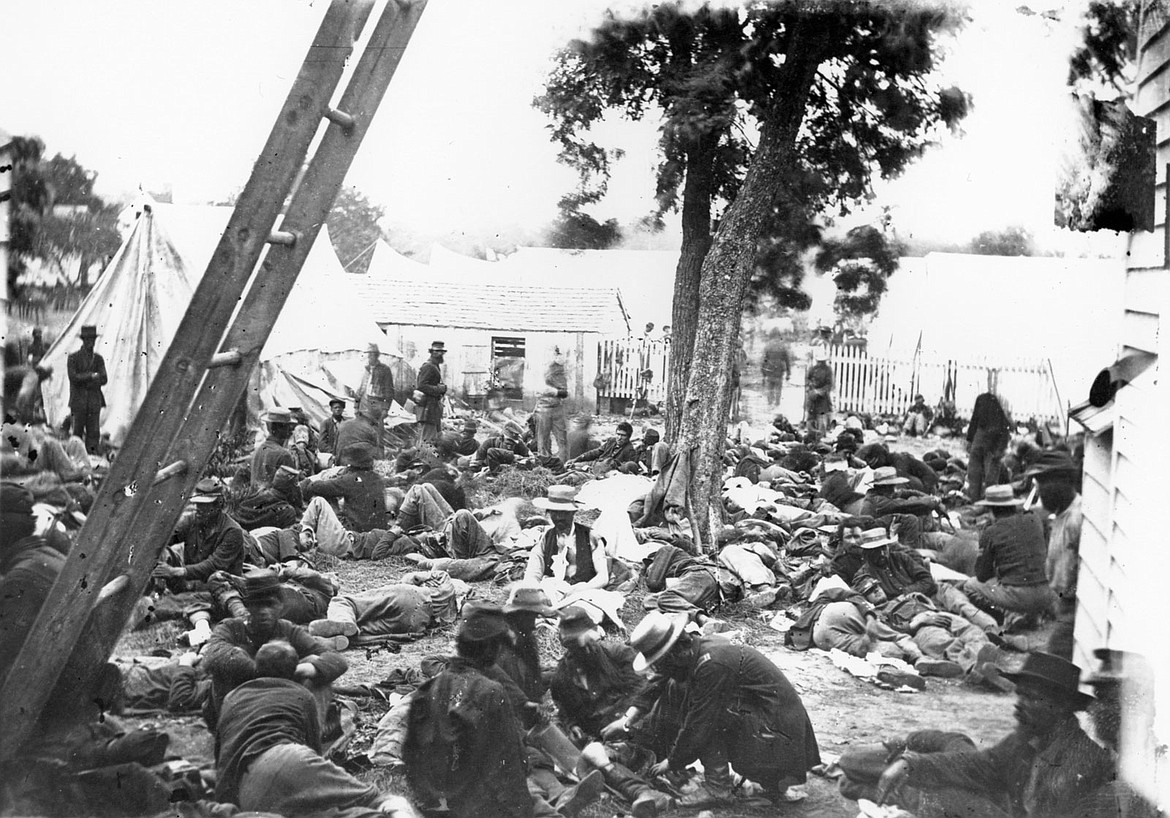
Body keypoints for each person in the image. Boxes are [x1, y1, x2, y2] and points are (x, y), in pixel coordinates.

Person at [608, 611, 821, 807]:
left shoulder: (711, 665)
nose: (658, 668)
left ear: (672, 655)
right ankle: (745, 782)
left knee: (704, 715)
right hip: (770, 724)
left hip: (779, 734)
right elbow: (659, 681)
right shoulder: (695, 649)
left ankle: (717, 788)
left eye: (659, 662)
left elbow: (699, 723)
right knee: (680, 688)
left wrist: (672, 761)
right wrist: (628, 718)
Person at [874, 651, 1113, 817]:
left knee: (941, 798)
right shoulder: (1031, 737)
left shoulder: (1075, 763)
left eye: (1031, 697)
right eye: (1020, 695)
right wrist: (911, 764)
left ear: (1060, 706)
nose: (1019, 704)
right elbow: (981, 765)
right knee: (944, 791)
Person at [214, 639, 408, 815]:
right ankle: (394, 807)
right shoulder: (301, 695)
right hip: (289, 758)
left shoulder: (232, 697)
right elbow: (311, 747)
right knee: (364, 798)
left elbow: (221, 752)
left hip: (245, 779)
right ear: (294, 670)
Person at [404, 603, 533, 818]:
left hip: (436, 807)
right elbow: (511, 765)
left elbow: (411, 760)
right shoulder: (491, 692)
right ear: (491, 648)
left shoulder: (426, 690)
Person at [201, 571, 348, 728]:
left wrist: (307, 668)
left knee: (314, 663)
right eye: (257, 605)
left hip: (276, 703)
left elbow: (336, 660)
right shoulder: (231, 628)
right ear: (248, 606)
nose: (263, 611)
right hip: (238, 709)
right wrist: (268, 670)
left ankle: (309, 734)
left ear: (280, 606)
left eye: (270, 604)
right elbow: (212, 656)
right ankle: (232, 735)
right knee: (229, 662)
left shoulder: (287, 630)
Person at [150, 478, 248, 640]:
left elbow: (215, 564)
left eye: (204, 506)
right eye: (197, 504)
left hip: (218, 587)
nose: (198, 509)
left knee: (170, 605)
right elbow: (168, 537)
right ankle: (159, 595)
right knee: (163, 551)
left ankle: (199, 624)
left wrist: (177, 571)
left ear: (218, 506)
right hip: (190, 583)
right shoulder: (192, 521)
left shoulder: (232, 531)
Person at [961, 485, 1055, 622]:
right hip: (1048, 592)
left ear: (991, 510)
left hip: (1018, 596)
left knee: (970, 586)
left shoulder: (991, 531)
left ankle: (1005, 615)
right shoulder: (1034, 519)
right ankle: (1034, 615)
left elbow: (982, 575)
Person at [1025, 451, 1082, 660]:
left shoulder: (1078, 518)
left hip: (1073, 608)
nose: (1040, 493)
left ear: (1063, 482)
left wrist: (1068, 594)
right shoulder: (1059, 514)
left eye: (1044, 485)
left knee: (1056, 658)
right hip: (1060, 602)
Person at [309, 570, 457, 649]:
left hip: (412, 596)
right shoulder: (454, 611)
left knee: (344, 601)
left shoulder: (444, 578)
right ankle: (341, 638)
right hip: (417, 624)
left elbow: (410, 578)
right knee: (368, 628)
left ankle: (342, 621)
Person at [524, 485, 608, 589]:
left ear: (573, 512)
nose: (559, 517)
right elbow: (532, 574)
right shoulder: (546, 538)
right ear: (549, 512)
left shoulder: (591, 536)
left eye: (564, 512)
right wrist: (537, 591)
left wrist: (582, 589)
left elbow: (602, 577)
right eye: (554, 512)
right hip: (552, 590)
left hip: (584, 591)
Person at [300, 442, 387, 534]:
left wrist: (309, 483)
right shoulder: (377, 478)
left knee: (325, 497)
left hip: (356, 530)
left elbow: (318, 487)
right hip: (377, 531)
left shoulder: (351, 480)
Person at [851, 527, 937, 600]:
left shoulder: (901, 558)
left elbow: (927, 579)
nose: (882, 554)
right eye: (876, 551)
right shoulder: (863, 575)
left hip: (922, 598)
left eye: (884, 548)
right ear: (867, 553)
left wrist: (907, 592)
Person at [66, 324, 108, 454]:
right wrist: (91, 376)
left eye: (93, 340)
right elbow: (73, 378)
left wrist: (86, 379)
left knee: (93, 434)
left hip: (94, 402)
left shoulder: (98, 359)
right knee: (77, 434)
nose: (91, 342)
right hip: (78, 402)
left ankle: (92, 459)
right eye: (88, 339)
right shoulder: (73, 358)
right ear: (83, 341)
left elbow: (104, 378)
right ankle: (75, 458)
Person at [966, 389, 1012, 502]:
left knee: (975, 475)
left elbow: (972, 428)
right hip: (990, 450)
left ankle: (976, 499)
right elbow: (1004, 436)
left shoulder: (981, 420)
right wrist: (999, 451)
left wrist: (969, 442)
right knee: (989, 478)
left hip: (983, 448)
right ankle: (989, 500)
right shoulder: (1000, 420)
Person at [567, 421, 637, 474]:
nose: (619, 438)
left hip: (604, 471)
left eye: (623, 435)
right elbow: (596, 452)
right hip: (594, 463)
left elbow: (624, 468)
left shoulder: (630, 450)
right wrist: (577, 459)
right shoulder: (611, 441)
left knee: (573, 472)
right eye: (618, 434)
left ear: (628, 437)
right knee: (570, 465)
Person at [536, 349, 570, 458]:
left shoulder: (559, 370)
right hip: (543, 408)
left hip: (556, 408)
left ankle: (563, 463)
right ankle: (544, 463)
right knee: (543, 440)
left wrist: (554, 392)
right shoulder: (541, 369)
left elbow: (564, 392)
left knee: (562, 438)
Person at [252, 408, 297, 489]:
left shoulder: (259, 450)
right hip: (275, 501)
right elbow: (292, 490)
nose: (291, 430)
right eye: (288, 426)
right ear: (279, 429)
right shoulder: (284, 455)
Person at [335, 396, 387, 463]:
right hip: (357, 466)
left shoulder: (342, 425)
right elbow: (376, 457)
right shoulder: (370, 430)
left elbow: (335, 451)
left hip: (341, 464)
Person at [416, 341, 448, 443]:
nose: (440, 354)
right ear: (431, 352)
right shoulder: (428, 366)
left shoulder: (435, 366)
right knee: (427, 438)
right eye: (437, 351)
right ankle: (422, 457)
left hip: (433, 408)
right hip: (428, 408)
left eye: (441, 352)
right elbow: (421, 385)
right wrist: (439, 389)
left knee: (434, 436)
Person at [355, 342, 394, 414]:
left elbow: (389, 390)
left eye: (372, 354)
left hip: (378, 402)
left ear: (377, 355)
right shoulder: (365, 369)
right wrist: (356, 406)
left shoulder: (384, 369)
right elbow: (359, 389)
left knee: (377, 423)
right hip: (364, 402)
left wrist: (386, 408)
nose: (369, 356)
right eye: (368, 354)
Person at [805, 348, 833, 432]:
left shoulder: (828, 370)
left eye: (822, 361)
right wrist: (810, 388)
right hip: (812, 396)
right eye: (819, 361)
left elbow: (829, 384)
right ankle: (810, 433)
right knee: (810, 415)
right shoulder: (812, 369)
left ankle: (821, 434)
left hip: (822, 397)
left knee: (821, 416)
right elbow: (808, 380)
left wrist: (820, 392)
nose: (820, 363)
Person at [761, 334, 791, 407]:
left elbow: (764, 360)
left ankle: (770, 404)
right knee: (778, 388)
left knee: (770, 388)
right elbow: (787, 360)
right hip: (779, 370)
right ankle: (777, 404)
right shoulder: (782, 346)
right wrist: (788, 373)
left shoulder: (768, 346)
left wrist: (763, 373)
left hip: (769, 369)